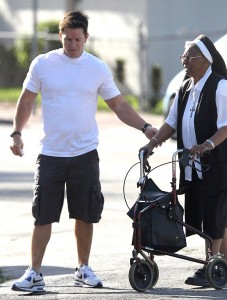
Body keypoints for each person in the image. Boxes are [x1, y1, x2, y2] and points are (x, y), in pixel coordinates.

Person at [9, 10, 157, 293]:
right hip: (51, 153)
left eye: (77, 39)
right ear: (60, 37)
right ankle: (35, 272)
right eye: (67, 39)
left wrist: (145, 126)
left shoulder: (97, 67)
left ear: (86, 37)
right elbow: (26, 100)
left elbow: (119, 106)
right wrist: (17, 133)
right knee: (43, 215)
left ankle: (83, 268)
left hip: (85, 154)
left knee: (85, 214)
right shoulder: (43, 64)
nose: (72, 44)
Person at [140, 34, 227, 287]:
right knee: (211, 214)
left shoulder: (221, 87)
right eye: (184, 56)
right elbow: (171, 123)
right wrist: (152, 144)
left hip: (218, 164)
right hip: (193, 165)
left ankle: (211, 265)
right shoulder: (185, 87)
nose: (184, 61)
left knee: (215, 214)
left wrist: (207, 145)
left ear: (205, 61)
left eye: (188, 56)